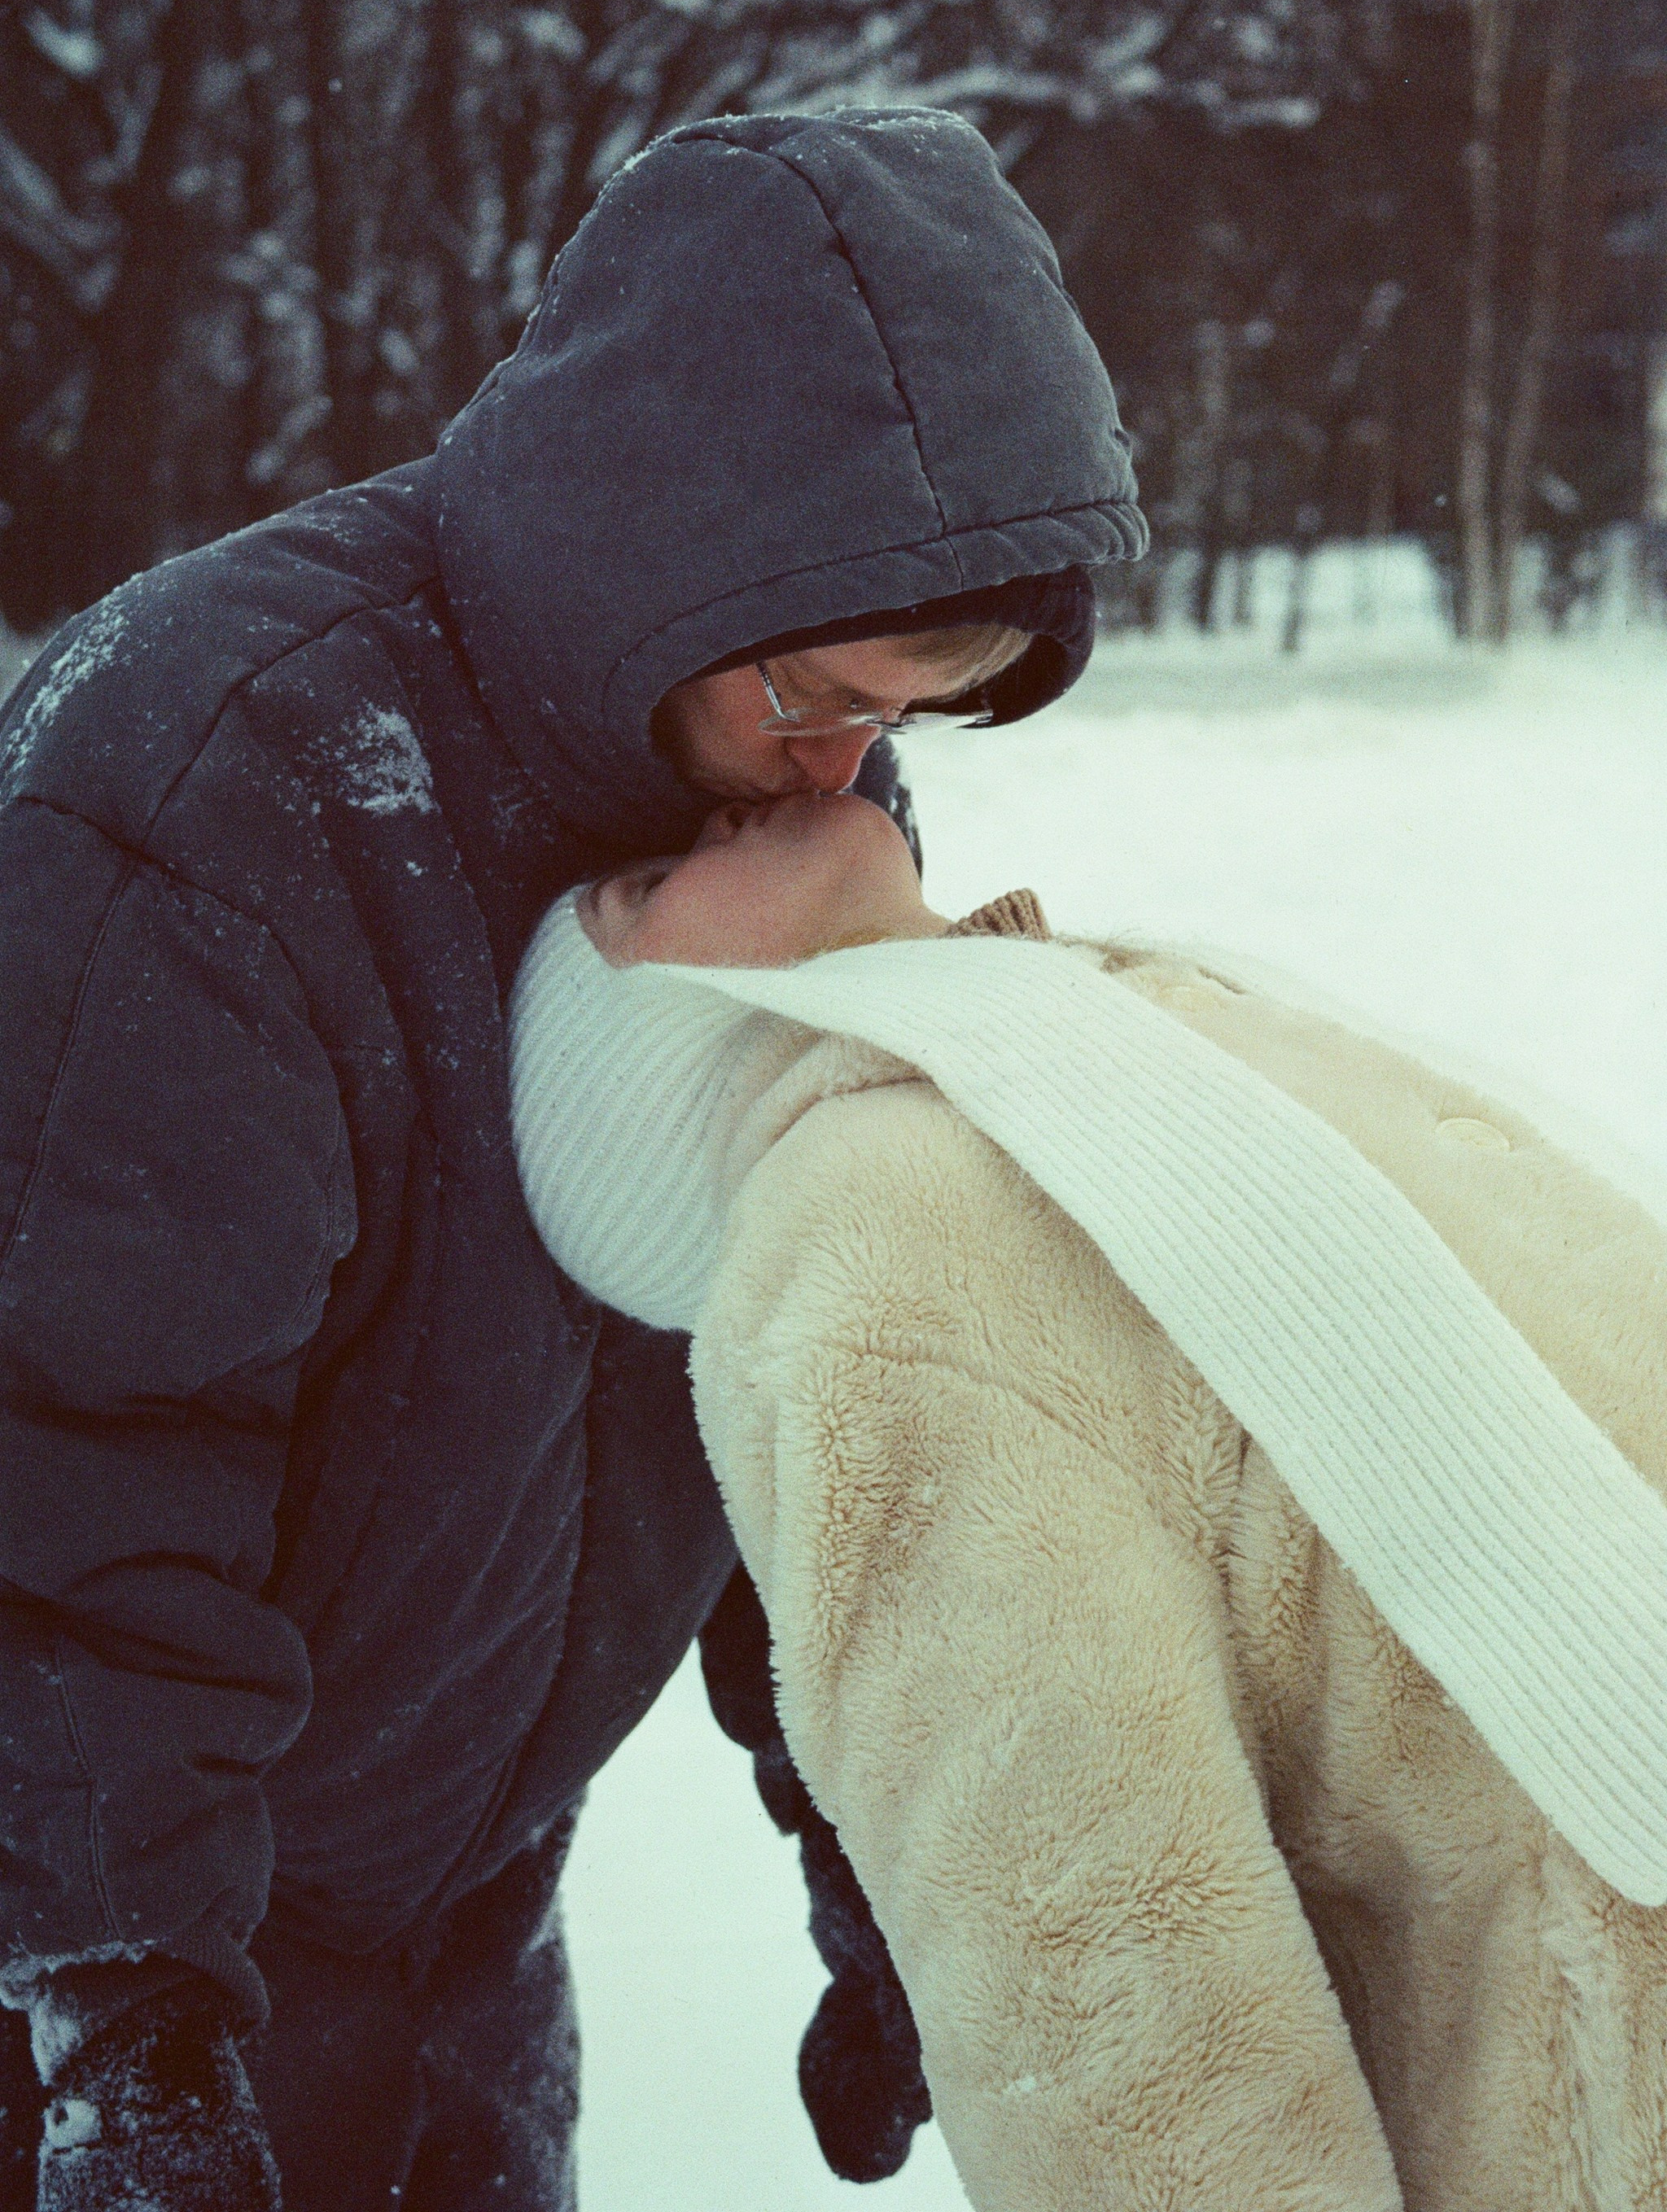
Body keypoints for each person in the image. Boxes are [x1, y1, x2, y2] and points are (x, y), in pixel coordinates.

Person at [0, 107, 1146, 2210]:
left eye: (914, 708)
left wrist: (878, 1839)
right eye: (821, 687)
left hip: (475, 1941)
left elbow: (810, 1352)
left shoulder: (788, 792)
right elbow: (71, 1468)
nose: (853, 763)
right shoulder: (216, 799)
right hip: (103, 1976)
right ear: (670, 554)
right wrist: (127, 2043)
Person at [510, 794, 1667, 2211]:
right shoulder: (874, 1240)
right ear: (649, 1067)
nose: (718, 815)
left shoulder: (1071, 1037)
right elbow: (1121, 2017)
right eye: (646, 878)